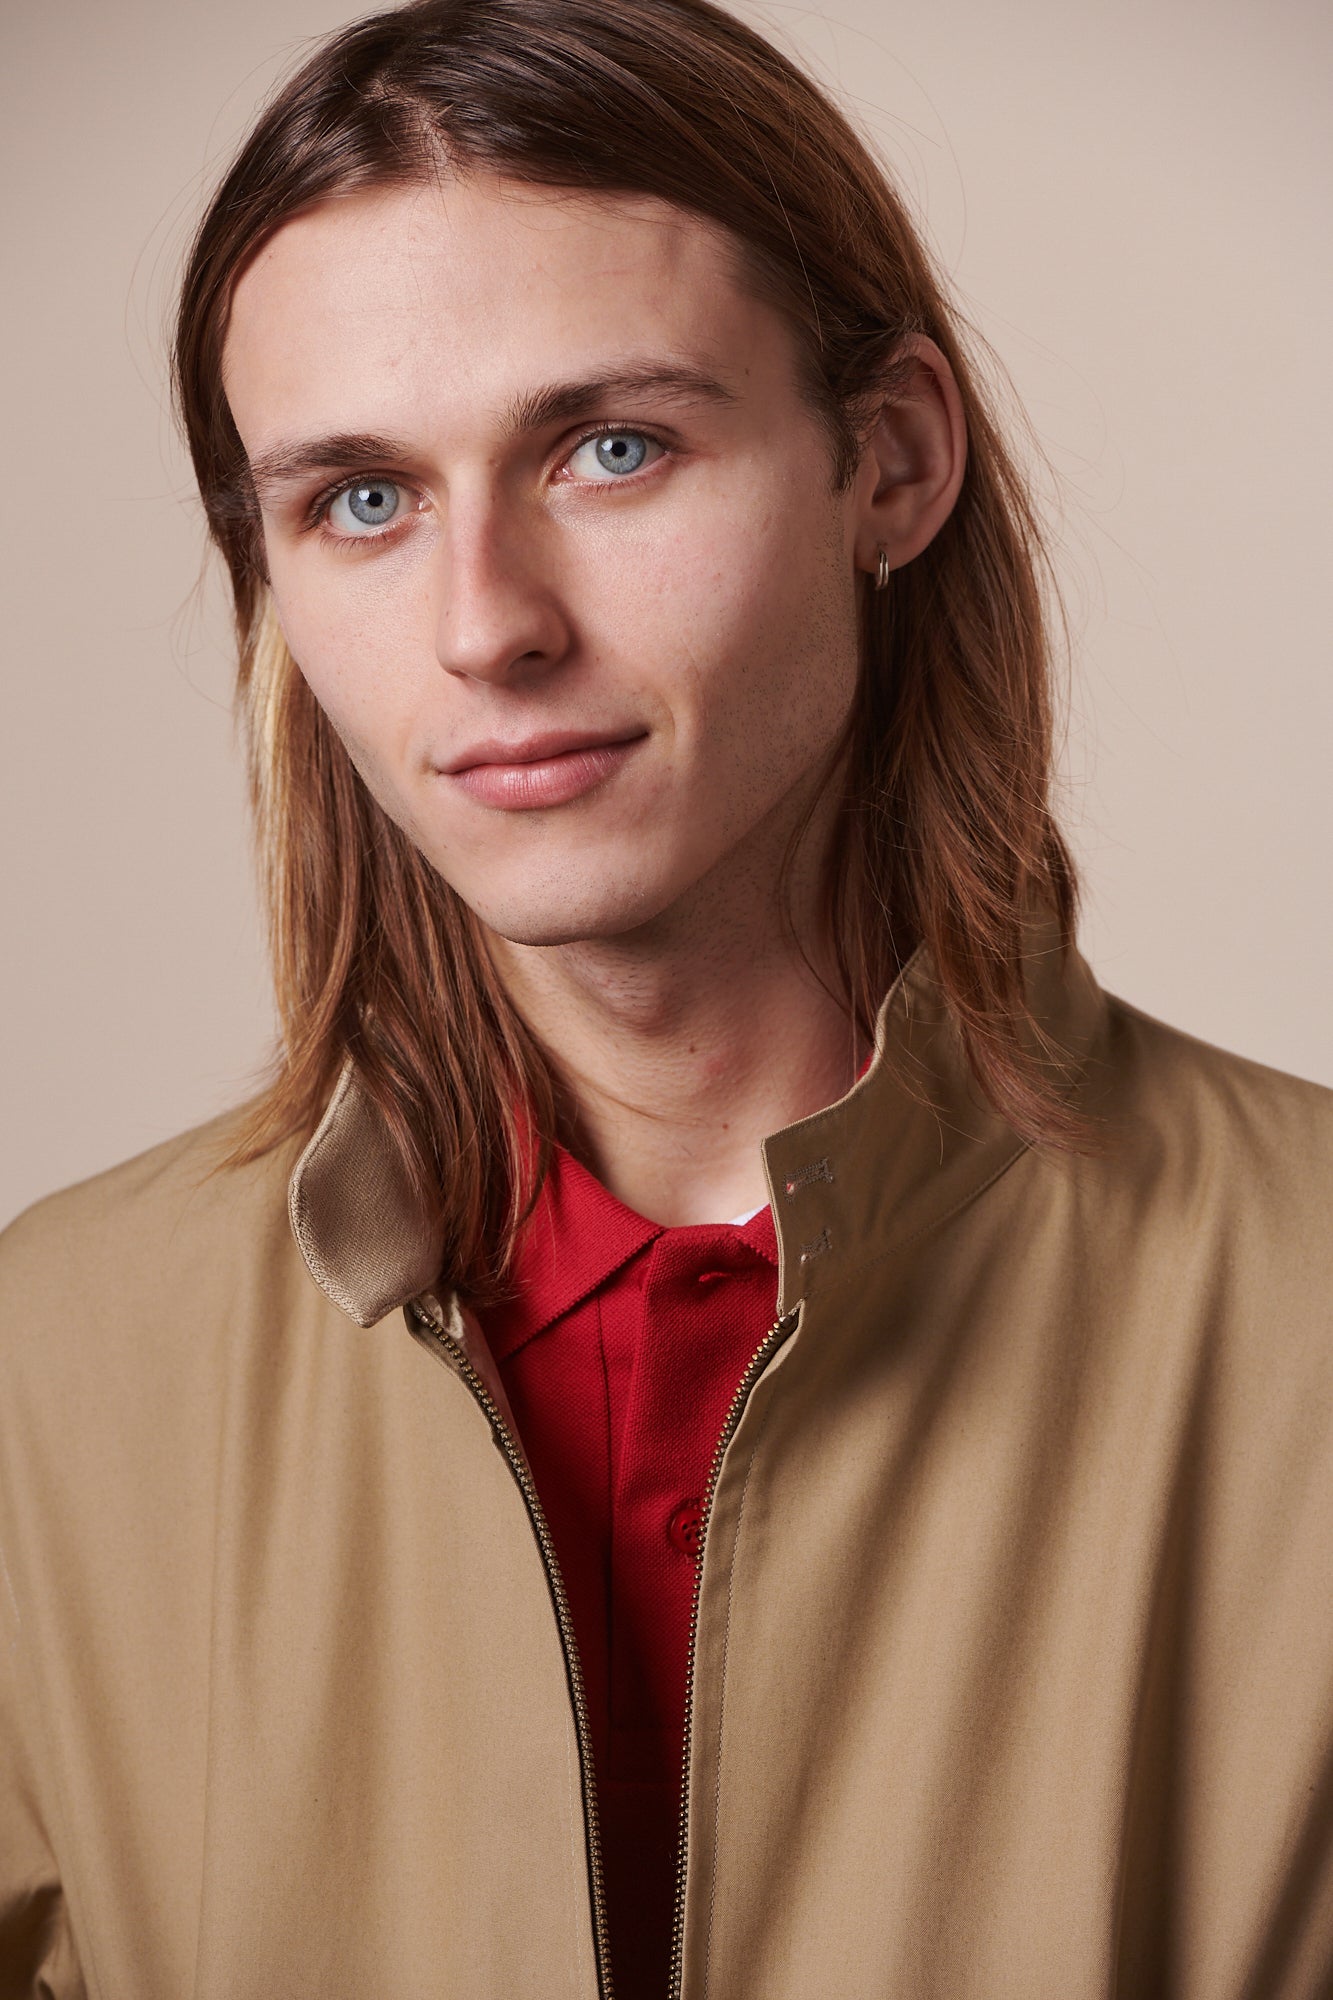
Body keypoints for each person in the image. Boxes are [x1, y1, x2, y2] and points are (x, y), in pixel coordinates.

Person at [1, 0, 1330, 1993]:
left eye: (611, 448)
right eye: (358, 500)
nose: (486, 626)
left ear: (887, 465)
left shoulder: (1304, 1300)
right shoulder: (54, 1371)